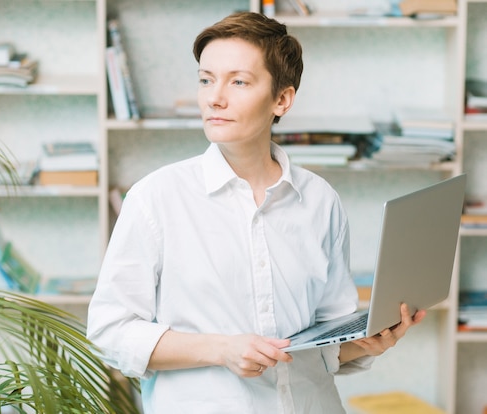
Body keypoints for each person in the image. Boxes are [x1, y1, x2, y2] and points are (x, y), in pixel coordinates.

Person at [87, 11, 426, 414]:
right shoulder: (155, 199)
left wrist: (367, 343)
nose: (215, 96)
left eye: (239, 81)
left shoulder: (320, 201)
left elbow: (324, 344)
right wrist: (222, 349)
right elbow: (111, 332)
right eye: (206, 79)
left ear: (281, 99)